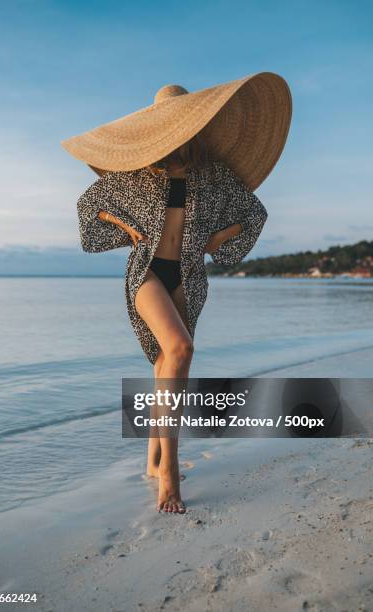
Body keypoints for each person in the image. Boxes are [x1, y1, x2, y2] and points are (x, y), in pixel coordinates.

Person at [62, 72, 292, 514]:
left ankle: (151, 462)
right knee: (181, 348)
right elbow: (89, 209)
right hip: (147, 274)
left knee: (167, 367)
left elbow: (254, 214)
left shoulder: (215, 177)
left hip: (188, 275)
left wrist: (220, 240)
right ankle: (169, 471)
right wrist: (128, 229)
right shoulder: (135, 176)